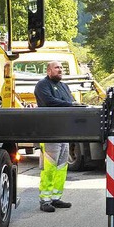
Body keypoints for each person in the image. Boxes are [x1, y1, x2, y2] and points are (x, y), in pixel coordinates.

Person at [34, 60, 76, 212]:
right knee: (49, 167)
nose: (60, 70)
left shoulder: (64, 86)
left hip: (63, 131)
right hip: (49, 131)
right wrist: (70, 105)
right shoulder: (42, 85)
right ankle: (45, 200)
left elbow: (69, 101)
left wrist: (71, 104)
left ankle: (56, 198)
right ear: (48, 71)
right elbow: (49, 102)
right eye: (57, 67)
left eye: (61, 68)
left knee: (61, 167)